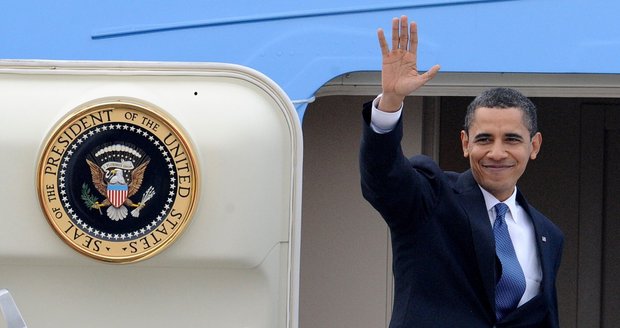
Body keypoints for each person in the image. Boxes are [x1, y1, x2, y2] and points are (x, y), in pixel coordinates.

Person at [360, 16, 564, 327]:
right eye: (484, 139)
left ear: (534, 146)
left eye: (511, 139)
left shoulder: (549, 234)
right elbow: (383, 178)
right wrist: (391, 102)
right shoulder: (432, 197)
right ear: (465, 143)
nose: (497, 152)